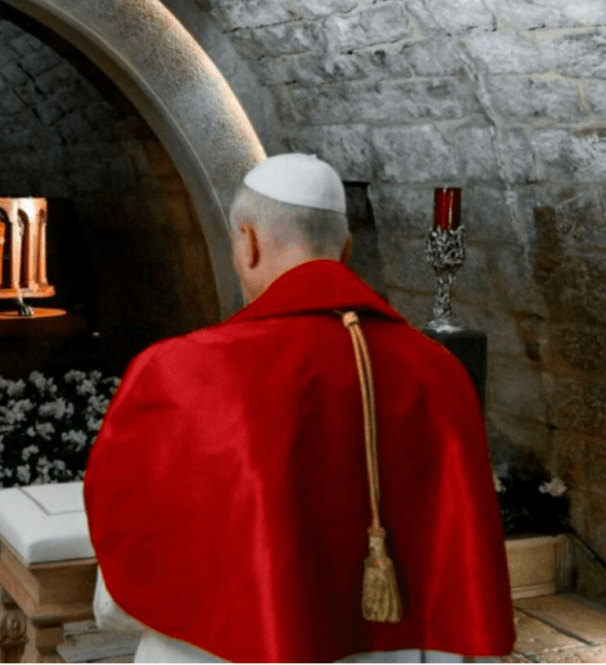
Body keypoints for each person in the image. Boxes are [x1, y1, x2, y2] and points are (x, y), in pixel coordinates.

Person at [83, 154, 516, 663]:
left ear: (247, 242)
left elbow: (133, 534)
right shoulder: (439, 372)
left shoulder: (180, 370)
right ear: (346, 250)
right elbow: (466, 545)